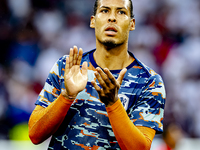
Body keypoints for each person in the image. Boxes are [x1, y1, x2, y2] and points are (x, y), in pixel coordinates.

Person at [28, 0, 166, 149]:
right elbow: (35, 135)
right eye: (105, 11)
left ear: (132, 24)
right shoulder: (66, 67)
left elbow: (140, 148)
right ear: (93, 21)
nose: (112, 18)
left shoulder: (149, 82)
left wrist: (113, 104)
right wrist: (66, 96)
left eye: (121, 12)